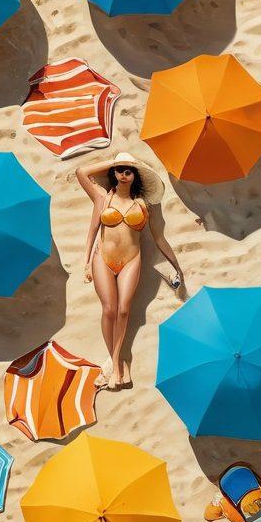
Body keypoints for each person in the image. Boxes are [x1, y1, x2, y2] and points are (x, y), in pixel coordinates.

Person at [76, 152, 182, 391]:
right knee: (109, 309)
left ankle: (115, 361)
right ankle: (117, 363)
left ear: (135, 176)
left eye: (128, 171)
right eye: (119, 171)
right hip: (102, 259)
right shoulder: (102, 196)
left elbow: (159, 238)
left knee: (124, 310)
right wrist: (85, 262)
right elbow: (81, 173)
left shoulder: (143, 205)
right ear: (113, 173)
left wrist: (175, 265)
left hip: (131, 260)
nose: (123, 175)